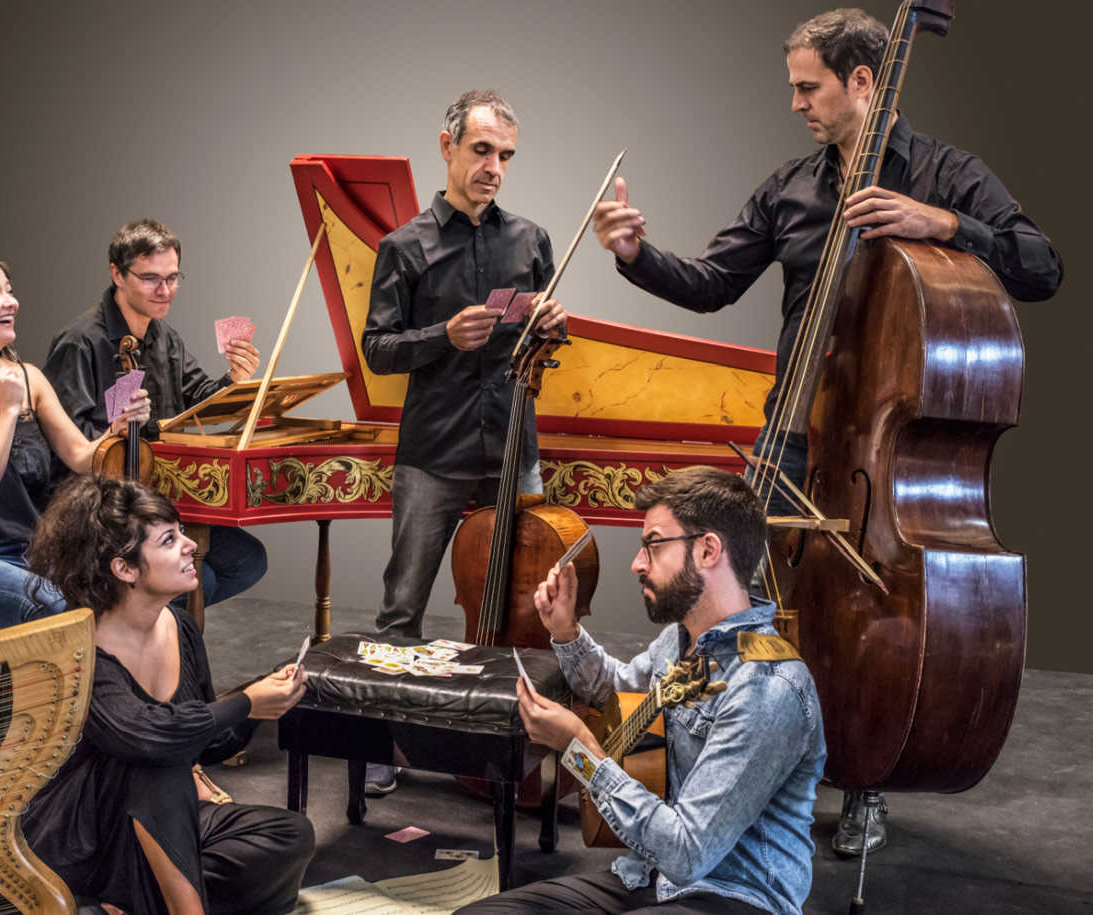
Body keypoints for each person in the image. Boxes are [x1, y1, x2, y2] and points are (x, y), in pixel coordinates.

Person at [591, 7, 1063, 856]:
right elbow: (710, 283)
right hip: (791, 444)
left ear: (863, 83)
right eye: (793, 89)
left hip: (880, 456)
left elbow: (1043, 264)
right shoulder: (792, 188)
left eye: (809, 87)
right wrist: (635, 253)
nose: (798, 104)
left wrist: (944, 224)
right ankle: (732, 782)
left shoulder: (947, 175)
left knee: (860, 624)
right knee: (752, 619)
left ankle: (865, 776)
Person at [458, 466, 824, 914]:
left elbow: (687, 853)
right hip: (645, 877)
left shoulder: (768, 688)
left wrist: (582, 749)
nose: (637, 563)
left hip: (731, 894)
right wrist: (565, 630)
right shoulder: (679, 638)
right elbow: (616, 691)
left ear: (708, 550)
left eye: (652, 544)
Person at [359, 89, 566, 795]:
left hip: (513, 443)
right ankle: (381, 745)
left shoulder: (530, 240)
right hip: (436, 451)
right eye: (482, 151)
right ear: (446, 147)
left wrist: (550, 323)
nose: (494, 168)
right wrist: (440, 337)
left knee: (520, 606)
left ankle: (509, 746)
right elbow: (378, 350)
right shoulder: (404, 246)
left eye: (505, 156)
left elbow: (545, 340)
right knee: (402, 608)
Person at [21, 474, 314, 914]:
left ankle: (140, 903)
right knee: (158, 761)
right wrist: (246, 702)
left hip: (159, 825)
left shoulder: (180, 628)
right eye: (169, 540)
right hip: (83, 841)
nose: (191, 546)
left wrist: (265, 702)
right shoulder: (82, 649)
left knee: (290, 836)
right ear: (125, 568)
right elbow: (148, 737)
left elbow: (212, 744)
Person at [0, 251, 151, 628]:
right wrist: (7, 411)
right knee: (61, 609)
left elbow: (82, 458)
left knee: (130, 593)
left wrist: (117, 431)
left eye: (9, 290)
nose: (11, 302)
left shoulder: (30, 377)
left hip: (40, 554)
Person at [43, 219, 268, 610]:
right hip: (105, 508)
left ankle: (154, 615)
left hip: (164, 497)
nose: (165, 291)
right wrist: (114, 433)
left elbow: (199, 399)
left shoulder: (165, 336)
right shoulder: (80, 342)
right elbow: (70, 446)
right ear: (118, 274)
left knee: (247, 561)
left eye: (173, 277)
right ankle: (155, 622)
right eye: (150, 279)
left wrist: (235, 378)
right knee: (189, 581)